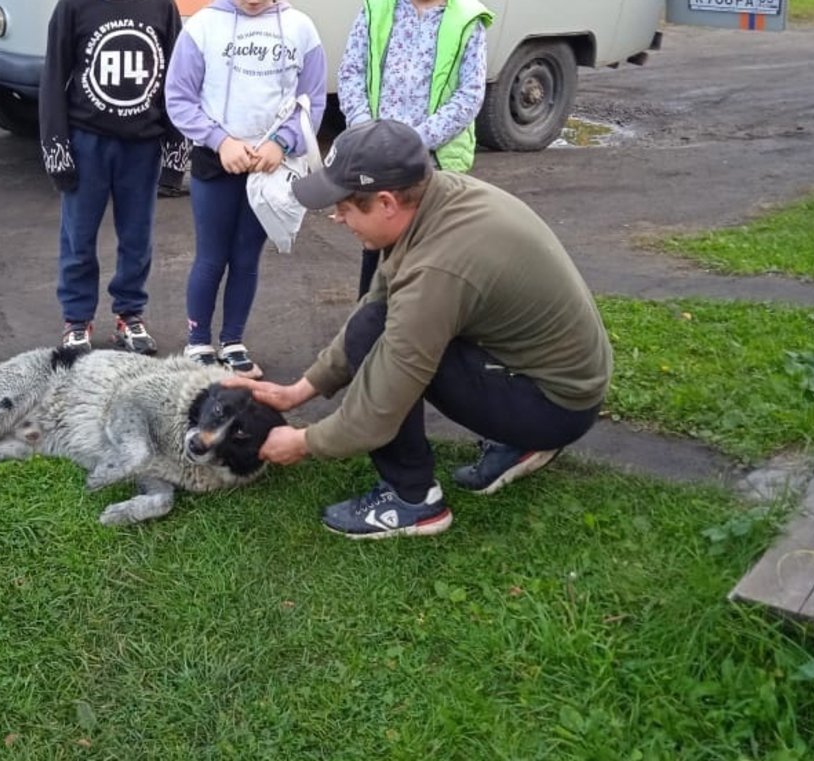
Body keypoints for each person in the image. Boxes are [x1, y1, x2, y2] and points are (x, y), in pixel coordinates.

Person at [228, 120, 613, 540]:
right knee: (379, 322)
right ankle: (518, 438)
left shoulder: (437, 269)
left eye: (344, 206)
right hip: (550, 378)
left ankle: (412, 500)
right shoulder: (432, 196)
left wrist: (302, 442)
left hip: (556, 406)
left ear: (387, 203)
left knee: (391, 356)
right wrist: (301, 389)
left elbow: (379, 408)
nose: (337, 217)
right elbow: (374, 306)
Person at [165, 0, 326, 380]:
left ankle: (233, 341)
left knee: (245, 256)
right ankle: (199, 343)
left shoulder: (301, 28)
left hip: (270, 167)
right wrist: (220, 141)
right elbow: (179, 98)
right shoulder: (203, 26)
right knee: (211, 255)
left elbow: (313, 101)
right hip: (216, 162)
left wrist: (282, 143)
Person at [39, 0, 184, 352]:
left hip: (143, 145)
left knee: (137, 236)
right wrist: (57, 150)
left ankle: (130, 314)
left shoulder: (162, 7)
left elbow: (177, 81)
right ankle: (76, 318)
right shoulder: (73, 6)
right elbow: (53, 78)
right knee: (78, 236)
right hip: (87, 141)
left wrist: (175, 154)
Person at [337, 0, 493, 299]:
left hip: (431, 163)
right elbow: (351, 73)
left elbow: (469, 95)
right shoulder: (377, 9)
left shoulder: (466, 19)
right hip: (377, 157)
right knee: (374, 250)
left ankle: (417, 329)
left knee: (426, 256)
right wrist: (368, 134)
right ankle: (367, 325)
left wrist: (413, 143)